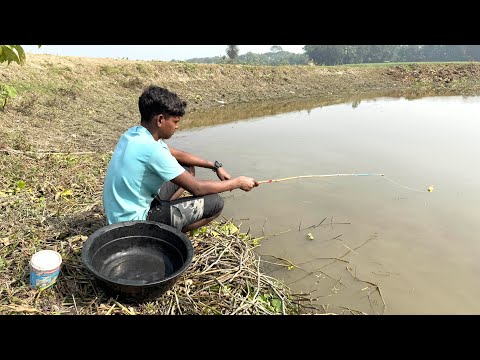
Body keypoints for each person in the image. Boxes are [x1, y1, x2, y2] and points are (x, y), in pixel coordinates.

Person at [102, 85, 259, 233]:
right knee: (215, 203)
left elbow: (177, 154)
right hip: (132, 225)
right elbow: (197, 188)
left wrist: (214, 166)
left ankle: (164, 210)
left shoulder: (135, 134)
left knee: (187, 168)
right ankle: (165, 235)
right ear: (160, 120)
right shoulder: (152, 150)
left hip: (121, 213)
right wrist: (238, 182)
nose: (177, 127)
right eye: (175, 122)